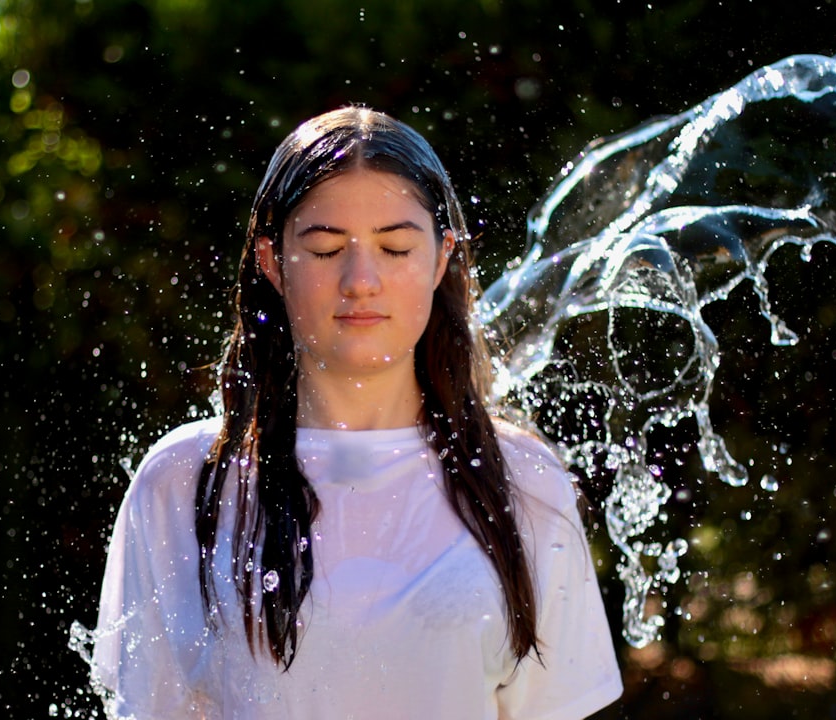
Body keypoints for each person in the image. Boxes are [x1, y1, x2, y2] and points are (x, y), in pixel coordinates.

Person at [89, 106, 623, 719]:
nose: (361, 279)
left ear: (441, 258)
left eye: (395, 248)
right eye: (324, 249)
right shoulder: (185, 482)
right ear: (272, 262)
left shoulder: (525, 483)